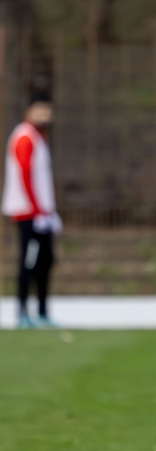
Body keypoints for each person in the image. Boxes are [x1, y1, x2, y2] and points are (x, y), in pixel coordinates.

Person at [2, 96, 62, 329]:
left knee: (45, 262)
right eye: (41, 113)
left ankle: (43, 312)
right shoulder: (24, 136)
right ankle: (23, 313)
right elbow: (25, 174)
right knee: (29, 262)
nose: (45, 118)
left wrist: (49, 212)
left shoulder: (38, 137)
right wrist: (37, 211)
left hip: (42, 214)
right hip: (28, 214)